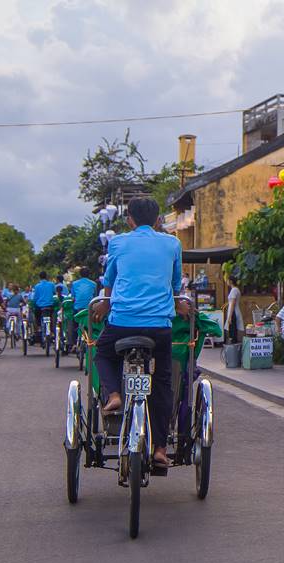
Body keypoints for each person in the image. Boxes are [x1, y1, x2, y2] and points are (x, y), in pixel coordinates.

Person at [92, 197, 183, 470]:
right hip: (159, 327)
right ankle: (160, 448)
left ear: (129, 219)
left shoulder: (118, 242)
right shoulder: (172, 243)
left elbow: (109, 281)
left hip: (122, 323)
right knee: (163, 381)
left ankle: (115, 395)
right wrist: (178, 303)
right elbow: (175, 283)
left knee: (103, 354)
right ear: (158, 221)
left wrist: (106, 304)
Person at [69, 268, 97, 348]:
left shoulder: (74, 284)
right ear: (89, 274)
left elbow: (73, 298)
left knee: (73, 323)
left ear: (80, 275)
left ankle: (73, 342)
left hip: (78, 308)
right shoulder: (93, 284)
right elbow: (95, 297)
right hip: (89, 308)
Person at [31, 271, 56, 344]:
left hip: (40, 306)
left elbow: (35, 298)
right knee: (51, 316)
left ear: (40, 277)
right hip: (49, 306)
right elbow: (54, 294)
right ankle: (51, 330)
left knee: (37, 315)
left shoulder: (37, 286)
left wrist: (33, 304)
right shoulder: (51, 284)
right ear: (46, 277)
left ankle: (38, 327)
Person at [224, 278, 244, 344]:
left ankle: (233, 346)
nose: (226, 281)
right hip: (233, 311)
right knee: (233, 329)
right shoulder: (235, 289)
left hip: (233, 312)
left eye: (227, 280)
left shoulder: (234, 290)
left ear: (231, 281)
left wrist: (229, 317)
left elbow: (233, 303)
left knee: (232, 330)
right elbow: (231, 301)